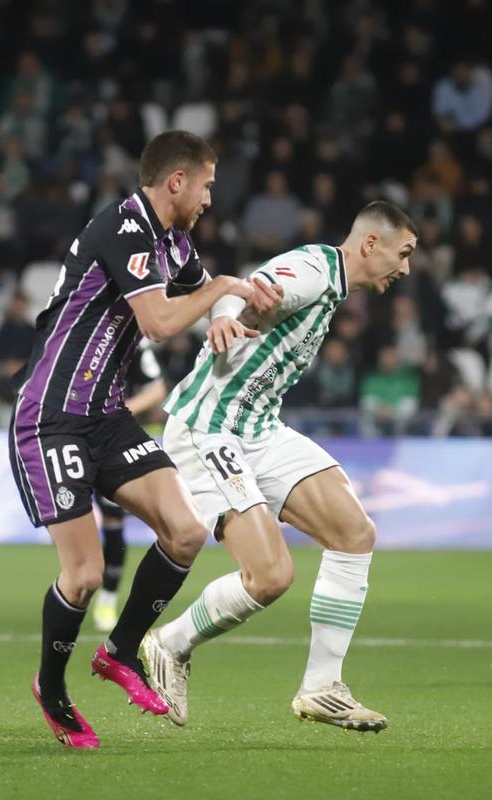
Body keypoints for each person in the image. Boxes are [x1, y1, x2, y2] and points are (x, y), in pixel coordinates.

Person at [7, 131, 282, 748]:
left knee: (184, 533)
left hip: (106, 416)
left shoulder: (172, 244)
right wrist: (223, 291)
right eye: (207, 184)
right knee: (82, 575)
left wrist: (222, 312)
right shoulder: (124, 229)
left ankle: (120, 652)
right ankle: (52, 689)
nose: (212, 197)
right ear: (176, 182)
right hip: (52, 414)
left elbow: (203, 289)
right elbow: (159, 321)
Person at [140, 201, 418, 733]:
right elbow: (247, 289)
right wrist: (222, 318)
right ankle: (169, 644)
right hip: (210, 426)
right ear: (370, 245)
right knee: (270, 577)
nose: (404, 269)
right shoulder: (314, 271)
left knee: (354, 533)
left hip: (260, 428)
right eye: (402, 254)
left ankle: (321, 687)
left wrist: (231, 314)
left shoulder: (332, 288)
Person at [90, 340, 168, 632]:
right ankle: (79, 589)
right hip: (76, 433)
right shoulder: (84, 332)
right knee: (84, 521)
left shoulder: (135, 341)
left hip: (118, 439)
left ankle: (108, 598)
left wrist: (119, 411)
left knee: (114, 518)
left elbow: (157, 391)